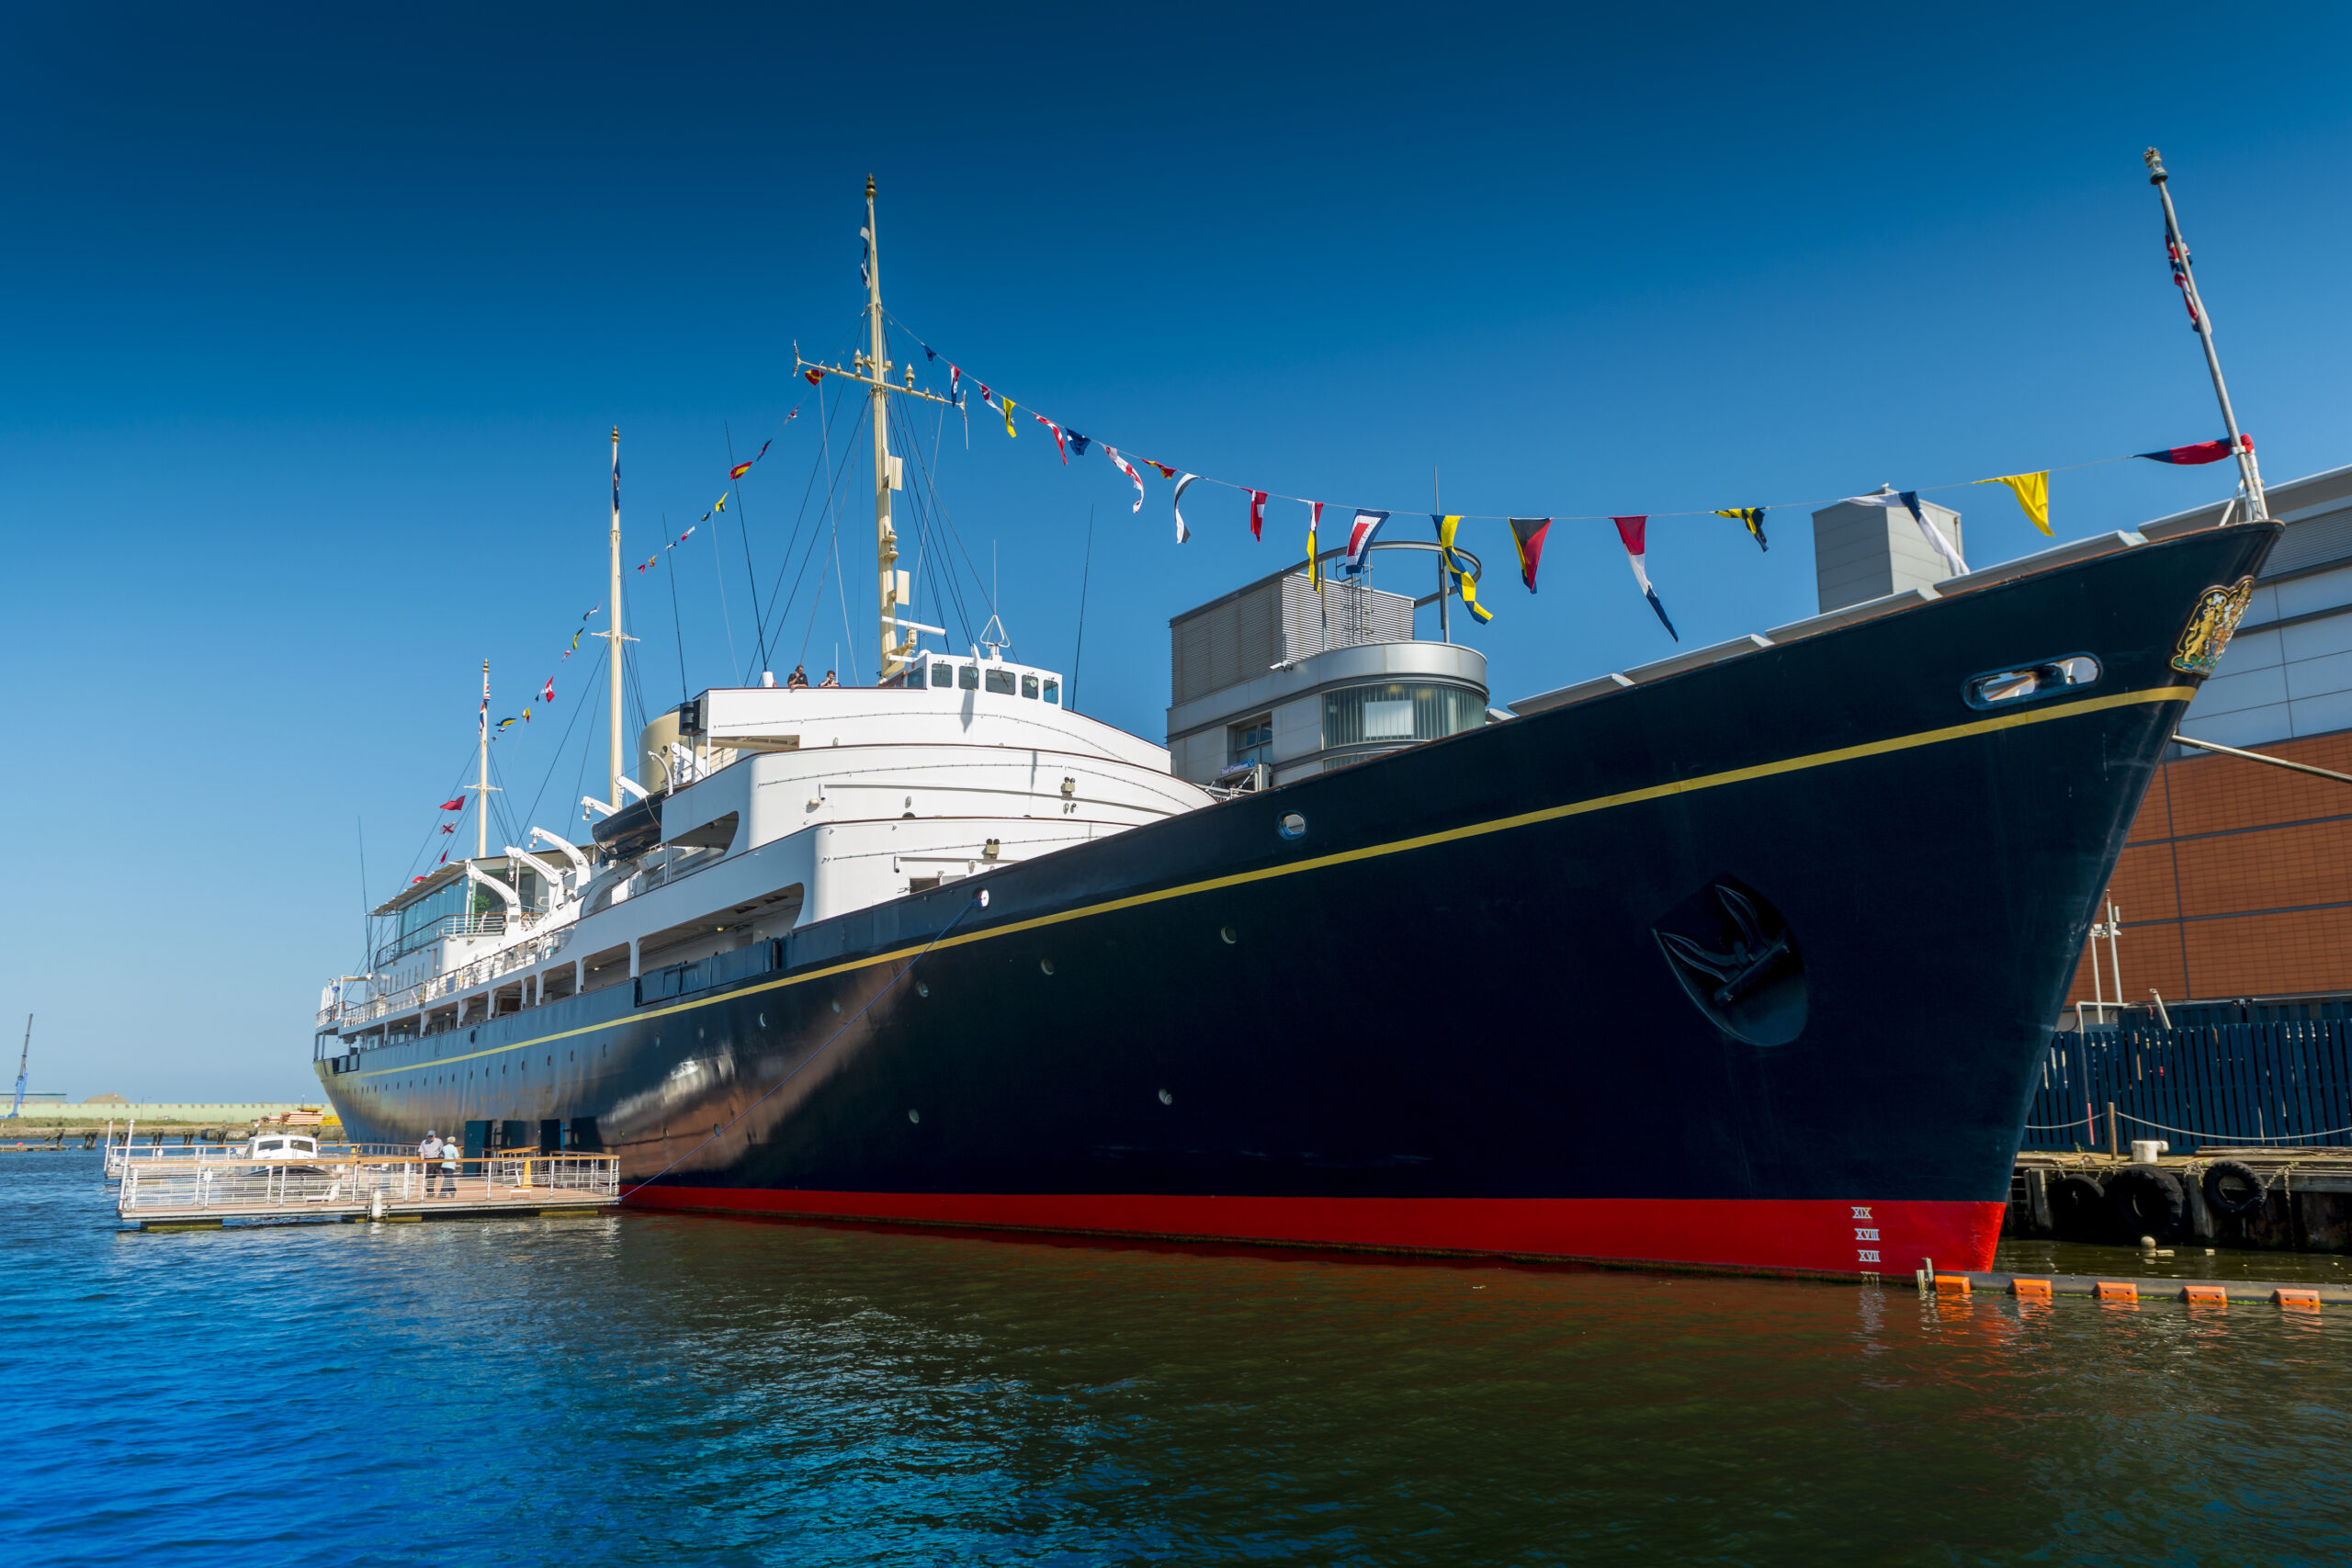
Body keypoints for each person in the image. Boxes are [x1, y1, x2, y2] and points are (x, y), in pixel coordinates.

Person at [418, 1132, 442, 1196]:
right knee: (428, 1176)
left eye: (431, 1136)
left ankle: (431, 1192)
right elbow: (421, 1152)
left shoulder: (439, 1141)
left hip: (436, 1160)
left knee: (433, 1176)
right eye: (429, 1136)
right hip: (427, 1160)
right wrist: (422, 1163)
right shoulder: (424, 1142)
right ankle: (430, 1192)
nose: (430, 1137)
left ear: (434, 1135)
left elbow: (441, 1150)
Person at [440, 1133, 462, 1197]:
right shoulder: (454, 1148)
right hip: (450, 1165)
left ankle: (453, 1191)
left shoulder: (444, 1147)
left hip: (443, 1165)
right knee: (447, 1179)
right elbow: (456, 1157)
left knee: (448, 1178)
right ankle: (442, 1194)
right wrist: (460, 1159)